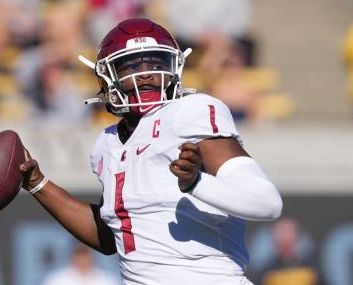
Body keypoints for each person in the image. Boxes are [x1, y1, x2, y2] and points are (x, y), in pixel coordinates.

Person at [20, 18, 283, 285]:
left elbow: (267, 202)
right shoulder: (106, 144)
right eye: (132, 65)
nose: (145, 73)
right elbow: (114, 236)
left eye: (156, 63)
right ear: (108, 77)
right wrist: (37, 183)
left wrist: (197, 183)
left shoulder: (191, 112)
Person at [42, 243, 119, 285]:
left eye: (85, 255)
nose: (83, 259)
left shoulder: (107, 279)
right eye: (79, 254)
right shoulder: (56, 279)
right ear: (73, 256)